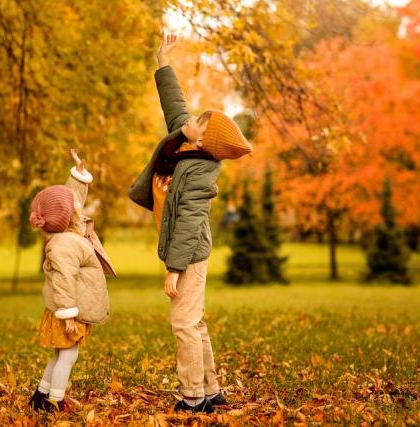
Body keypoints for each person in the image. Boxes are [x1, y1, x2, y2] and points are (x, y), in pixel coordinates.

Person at [128, 34, 253, 414]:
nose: (192, 120)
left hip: (190, 254)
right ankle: (211, 389)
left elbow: (188, 221)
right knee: (194, 322)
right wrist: (162, 61)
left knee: (183, 323)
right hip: (186, 251)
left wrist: (174, 269)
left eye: (200, 122)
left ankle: (193, 397)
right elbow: (175, 102)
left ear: (206, 141)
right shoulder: (183, 140)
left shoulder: (201, 171)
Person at [28, 150, 111, 413]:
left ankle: (41, 395)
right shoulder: (64, 244)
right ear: (68, 216)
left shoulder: (65, 230)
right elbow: (63, 281)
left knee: (61, 354)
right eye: (74, 206)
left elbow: (67, 200)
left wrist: (78, 175)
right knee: (68, 355)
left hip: (67, 310)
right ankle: (54, 401)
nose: (78, 205)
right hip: (67, 312)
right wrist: (68, 317)